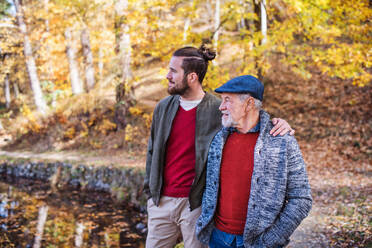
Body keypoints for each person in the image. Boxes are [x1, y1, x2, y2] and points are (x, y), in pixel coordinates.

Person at [144, 46, 294, 248]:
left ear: (192, 77)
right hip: (161, 202)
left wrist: (279, 124)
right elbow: (152, 151)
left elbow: (251, 115)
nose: (167, 75)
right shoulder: (163, 107)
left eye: (173, 71)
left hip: (196, 205)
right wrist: (151, 194)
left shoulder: (218, 109)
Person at [195, 75, 312, 248]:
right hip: (217, 238)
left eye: (228, 100)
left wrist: (270, 240)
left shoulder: (281, 140)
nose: (221, 107)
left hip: (258, 241)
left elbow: (301, 198)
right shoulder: (219, 139)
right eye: (222, 100)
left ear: (249, 103)